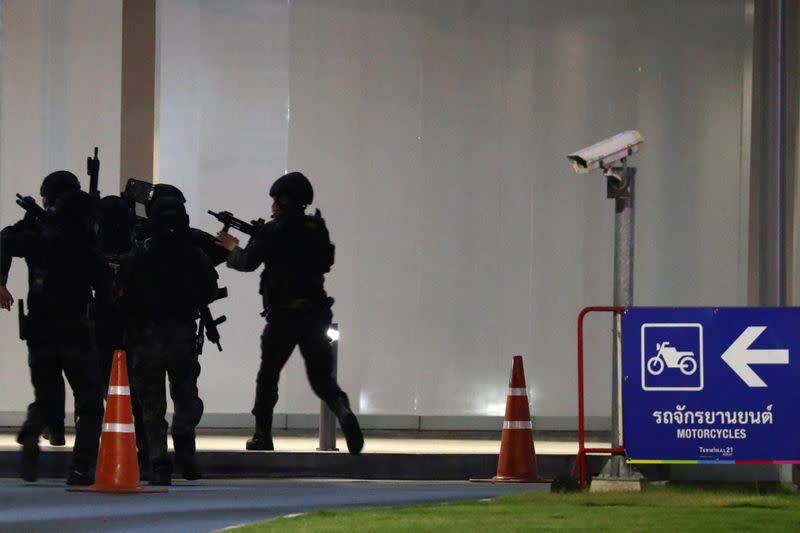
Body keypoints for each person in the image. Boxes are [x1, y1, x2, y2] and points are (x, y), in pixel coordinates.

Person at [216, 171, 364, 454]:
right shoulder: (316, 227)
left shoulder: (274, 230)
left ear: (284, 200)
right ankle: (343, 410)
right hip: (316, 313)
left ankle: (262, 436)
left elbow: (247, 263)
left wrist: (231, 248)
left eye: (275, 200)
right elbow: (325, 262)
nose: (272, 206)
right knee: (322, 378)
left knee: (268, 376)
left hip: (284, 316)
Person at [0, 188, 110, 485]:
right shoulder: (86, 246)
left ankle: (33, 431)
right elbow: (104, 286)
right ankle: (81, 467)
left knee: (46, 396)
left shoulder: (39, 240)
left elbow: (7, 239)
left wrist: (37, 225)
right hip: (76, 333)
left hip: (40, 332)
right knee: (89, 403)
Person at [121, 197, 219, 485]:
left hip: (147, 337)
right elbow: (210, 291)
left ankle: (158, 464)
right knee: (186, 398)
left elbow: (122, 293)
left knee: (152, 406)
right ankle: (186, 456)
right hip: (181, 335)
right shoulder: (194, 254)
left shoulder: (139, 253)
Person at [0, 171, 82, 448]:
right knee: (84, 385)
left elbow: (7, 239)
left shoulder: (38, 229)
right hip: (78, 320)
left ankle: (51, 429)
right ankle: (83, 443)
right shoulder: (83, 227)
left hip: (43, 318)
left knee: (49, 382)